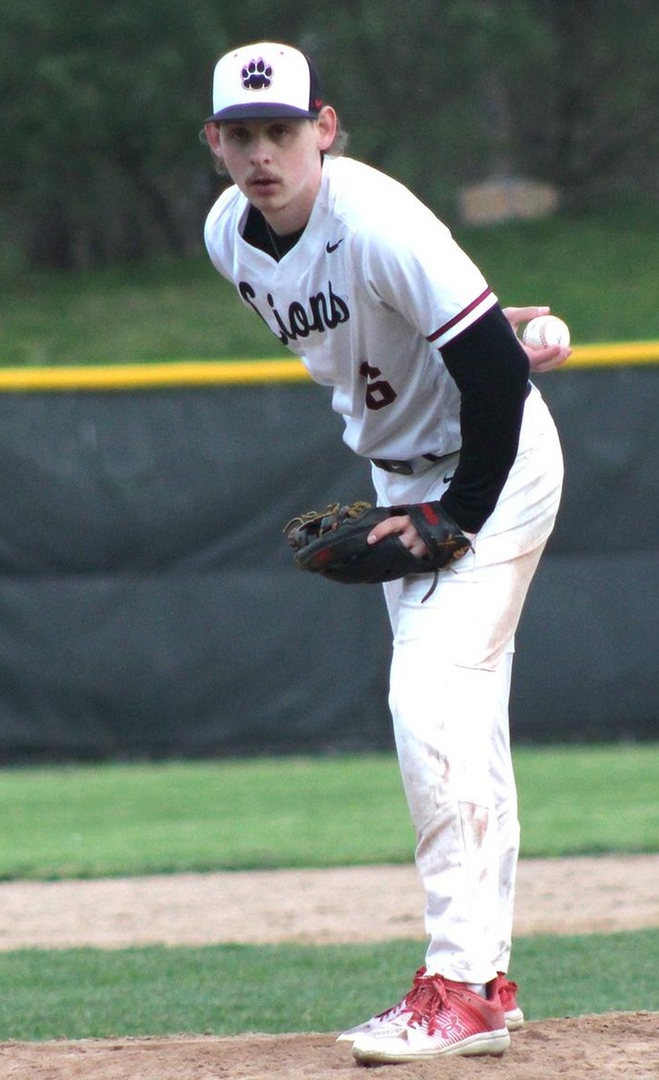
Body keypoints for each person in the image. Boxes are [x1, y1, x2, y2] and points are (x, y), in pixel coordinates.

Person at [201, 42, 571, 1065]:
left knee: (427, 700)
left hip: (490, 469)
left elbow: (494, 384)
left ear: (324, 129)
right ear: (215, 143)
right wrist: (489, 332)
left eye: (282, 131)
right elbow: (393, 340)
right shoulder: (228, 239)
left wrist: (456, 511)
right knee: (466, 720)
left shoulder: (378, 219)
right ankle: (486, 980)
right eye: (242, 135)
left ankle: (453, 986)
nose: (262, 154)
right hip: (402, 481)